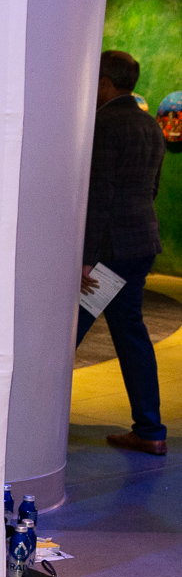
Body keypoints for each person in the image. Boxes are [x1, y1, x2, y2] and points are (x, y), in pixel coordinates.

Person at [78, 50, 168, 456]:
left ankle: (27, 422)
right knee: (131, 334)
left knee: (68, 332)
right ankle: (150, 429)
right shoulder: (149, 125)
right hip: (141, 245)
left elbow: (100, 198)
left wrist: (85, 257)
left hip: (109, 255)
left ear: (104, 82)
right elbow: (152, 189)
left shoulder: (105, 125)